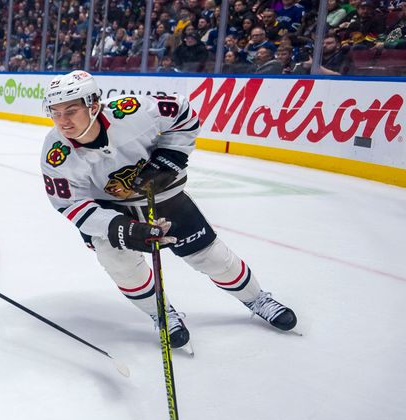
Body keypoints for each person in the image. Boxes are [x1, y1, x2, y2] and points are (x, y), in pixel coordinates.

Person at [39, 71, 297, 350]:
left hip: (165, 197)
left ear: (93, 105)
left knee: (212, 257)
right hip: (109, 210)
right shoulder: (56, 153)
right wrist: (120, 229)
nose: (62, 121)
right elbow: (71, 204)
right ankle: (161, 314)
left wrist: (168, 159)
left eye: (71, 110)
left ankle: (257, 298)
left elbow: (184, 113)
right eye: (55, 113)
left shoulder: (133, 111)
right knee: (122, 266)